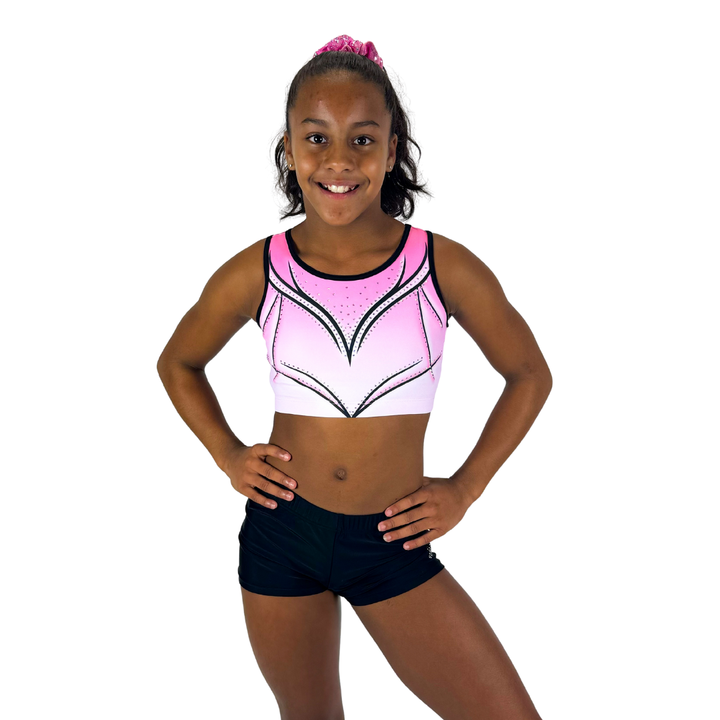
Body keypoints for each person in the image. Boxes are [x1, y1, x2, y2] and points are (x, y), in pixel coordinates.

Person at [157, 34, 551, 720]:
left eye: (362, 140)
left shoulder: (442, 266)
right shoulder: (258, 269)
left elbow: (528, 375)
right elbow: (178, 362)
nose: (338, 160)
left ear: (392, 150)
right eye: (316, 138)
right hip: (283, 534)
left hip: (391, 540)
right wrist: (227, 453)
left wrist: (464, 489)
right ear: (288, 148)